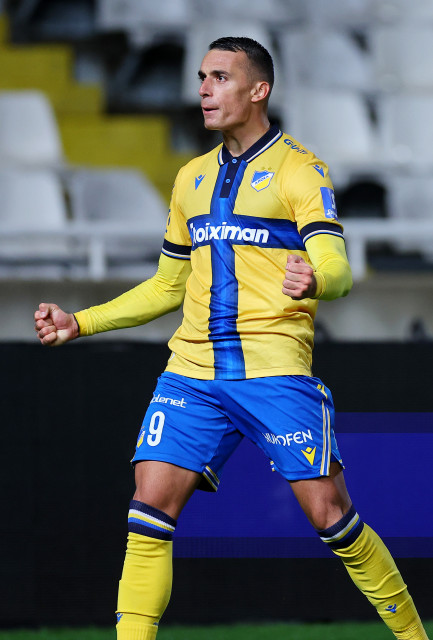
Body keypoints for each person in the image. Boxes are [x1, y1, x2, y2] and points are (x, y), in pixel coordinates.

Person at [35, 37, 428, 640]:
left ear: (258, 89)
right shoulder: (190, 178)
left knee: (332, 518)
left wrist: (316, 277)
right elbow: (168, 285)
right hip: (192, 373)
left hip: (273, 371)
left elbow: (341, 268)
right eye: (201, 77)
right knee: (148, 508)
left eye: (220, 77)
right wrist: (80, 322)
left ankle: (413, 636)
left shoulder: (300, 169)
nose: (203, 89)